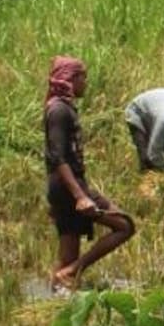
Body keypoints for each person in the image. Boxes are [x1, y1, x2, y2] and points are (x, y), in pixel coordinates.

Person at [44, 56, 135, 291]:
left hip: (66, 186)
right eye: (84, 77)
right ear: (72, 79)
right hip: (68, 187)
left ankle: (58, 295)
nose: (86, 82)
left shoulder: (63, 108)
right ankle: (72, 272)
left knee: (67, 253)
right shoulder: (58, 111)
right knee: (124, 226)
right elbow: (58, 157)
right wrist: (80, 196)